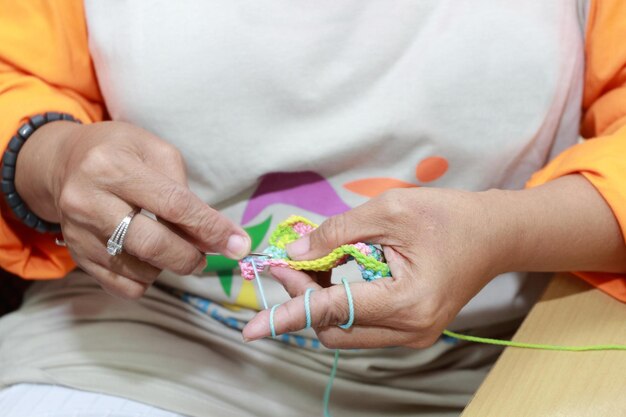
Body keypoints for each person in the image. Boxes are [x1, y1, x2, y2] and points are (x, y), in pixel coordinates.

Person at [0, 1, 625, 416]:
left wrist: (508, 234)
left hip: (514, 349)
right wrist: (52, 157)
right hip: (151, 337)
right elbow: (16, 76)